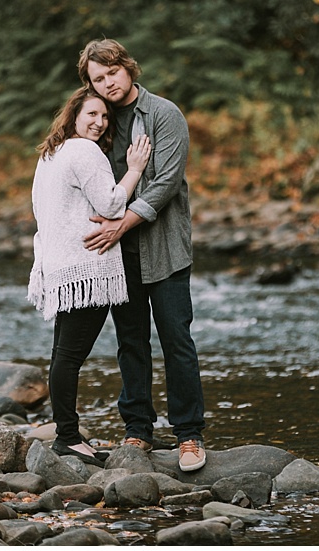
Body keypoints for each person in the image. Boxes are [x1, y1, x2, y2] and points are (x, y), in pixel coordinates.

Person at [75, 38, 208, 472]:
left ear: (128, 68)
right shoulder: (98, 121)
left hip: (165, 250)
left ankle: (189, 437)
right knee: (131, 343)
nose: (108, 82)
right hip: (118, 257)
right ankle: (138, 430)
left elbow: (165, 184)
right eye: (98, 78)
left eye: (112, 71)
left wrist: (120, 225)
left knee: (176, 341)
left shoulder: (165, 115)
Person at [28, 86, 152, 466]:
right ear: (73, 116)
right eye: (91, 115)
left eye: (104, 118)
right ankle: (67, 436)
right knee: (70, 356)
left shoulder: (51, 154)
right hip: (87, 269)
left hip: (59, 267)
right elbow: (113, 203)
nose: (99, 123)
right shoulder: (84, 150)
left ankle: (66, 431)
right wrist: (134, 171)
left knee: (62, 354)